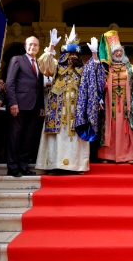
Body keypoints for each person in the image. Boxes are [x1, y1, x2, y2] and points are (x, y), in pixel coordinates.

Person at [36, 26, 105, 173]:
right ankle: (54, 165)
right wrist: (51, 46)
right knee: (57, 137)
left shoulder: (83, 70)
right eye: (70, 53)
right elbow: (44, 66)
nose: (72, 56)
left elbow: (96, 76)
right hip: (57, 109)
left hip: (77, 110)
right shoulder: (56, 67)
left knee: (76, 137)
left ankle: (77, 165)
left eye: (75, 53)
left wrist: (94, 54)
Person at [98, 31, 133, 163]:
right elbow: (100, 83)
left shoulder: (129, 67)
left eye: (120, 51)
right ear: (112, 54)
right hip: (110, 103)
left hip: (126, 103)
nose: (118, 53)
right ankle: (107, 155)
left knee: (126, 127)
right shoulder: (107, 68)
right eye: (115, 52)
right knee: (110, 126)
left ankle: (129, 155)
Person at [5, 36, 45, 177]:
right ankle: (13, 167)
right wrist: (13, 102)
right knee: (15, 136)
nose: (32, 47)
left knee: (28, 138)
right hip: (19, 105)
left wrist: (41, 106)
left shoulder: (39, 64)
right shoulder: (17, 59)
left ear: (39, 48)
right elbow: (10, 83)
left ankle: (23, 166)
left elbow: (39, 86)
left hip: (34, 107)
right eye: (30, 44)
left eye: (35, 45)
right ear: (25, 46)